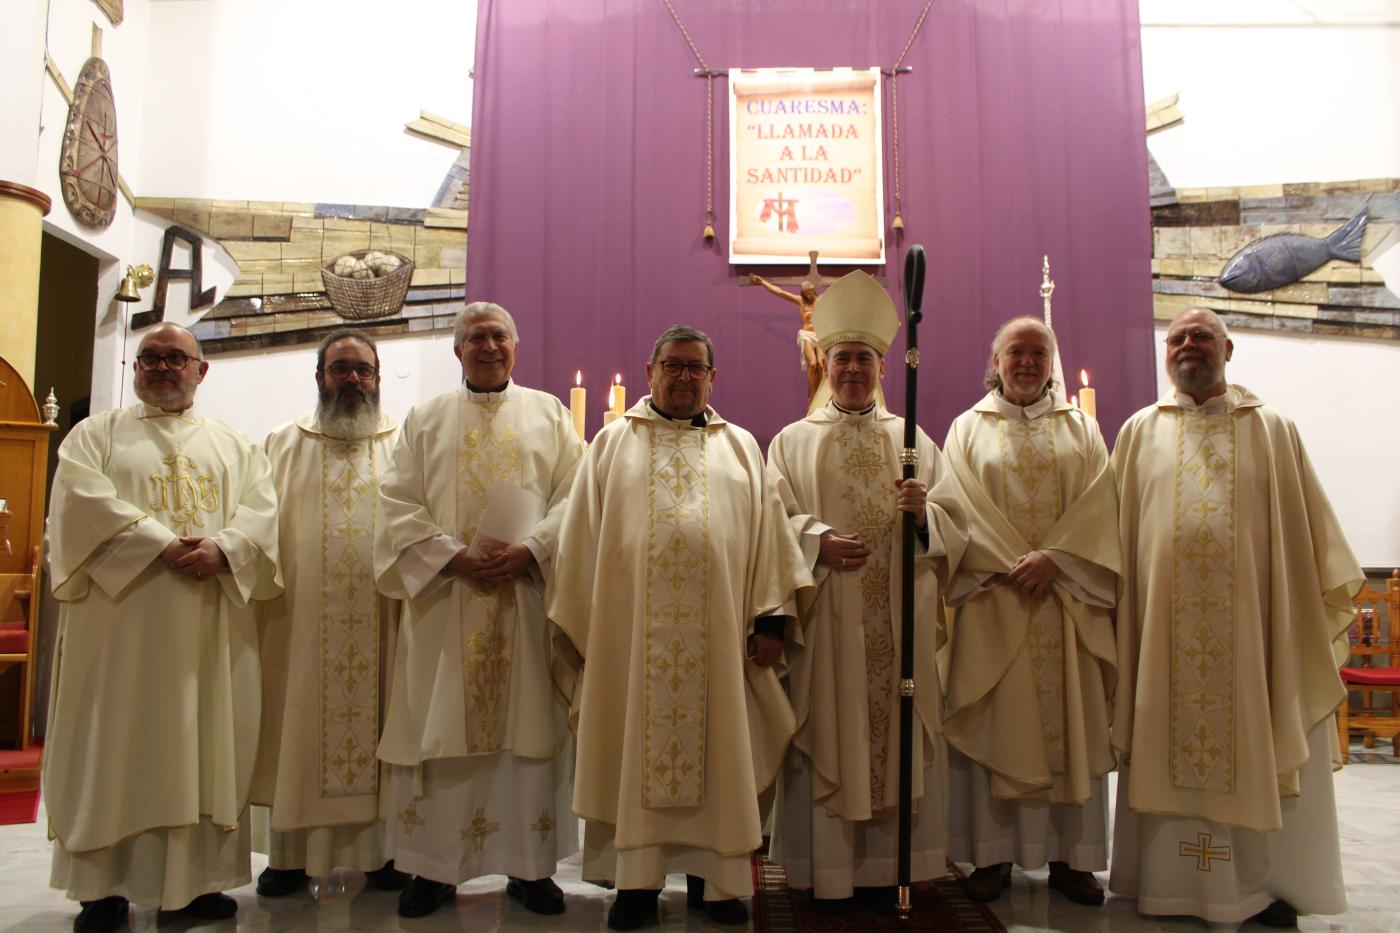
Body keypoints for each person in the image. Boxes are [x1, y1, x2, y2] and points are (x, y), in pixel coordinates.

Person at [547, 325, 812, 930]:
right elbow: (579, 542)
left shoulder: (742, 446)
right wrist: (593, 634)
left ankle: (713, 885)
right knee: (631, 750)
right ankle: (635, 887)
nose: (685, 377)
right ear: (651, 371)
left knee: (721, 754)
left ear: (713, 378)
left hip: (723, 642)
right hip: (629, 645)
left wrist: (770, 619)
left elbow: (770, 537)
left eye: (696, 367)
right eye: (674, 365)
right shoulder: (611, 445)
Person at [1111, 307, 1363, 927]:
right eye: (1176, 339)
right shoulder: (1141, 431)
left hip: (1256, 637)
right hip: (1162, 641)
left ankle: (1264, 885)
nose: (1188, 346)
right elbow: (1110, 540)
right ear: (1164, 353)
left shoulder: (1272, 429)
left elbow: (1308, 542)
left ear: (1229, 348)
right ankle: (1166, 886)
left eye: (1201, 336)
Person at [43, 323, 280, 932]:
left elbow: (263, 514)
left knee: (205, 745)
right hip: (120, 629)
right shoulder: (94, 436)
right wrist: (160, 545)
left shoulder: (236, 446)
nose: (161, 368)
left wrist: (225, 548)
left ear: (202, 372)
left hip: (208, 629)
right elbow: (79, 502)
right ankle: (105, 888)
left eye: (177, 358)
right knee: (115, 745)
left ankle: (195, 885)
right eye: (149, 358)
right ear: (135, 369)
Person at [373, 302, 585, 919]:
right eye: (475, 337)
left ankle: (531, 869)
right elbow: (395, 501)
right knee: (442, 737)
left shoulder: (548, 414)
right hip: (447, 600)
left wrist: (532, 549)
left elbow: (577, 495)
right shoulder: (426, 418)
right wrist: (450, 557)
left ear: (515, 348)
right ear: (457, 350)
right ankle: (433, 871)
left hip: (524, 600)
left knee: (526, 735)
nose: (487, 346)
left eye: (498, 336)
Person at [765, 270, 968, 901]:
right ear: (824, 362)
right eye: (843, 357)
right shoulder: (793, 442)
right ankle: (825, 870)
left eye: (865, 359)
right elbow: (772, 523)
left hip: (899, 622)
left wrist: (924, 514)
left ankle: (891, 867)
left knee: (895, 736)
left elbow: (956, 527)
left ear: (883, 366)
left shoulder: (913, 440)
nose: (853, 368)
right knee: (832, 729)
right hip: (828, 620)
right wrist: (814, 541)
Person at [940, 317, 1119, 905]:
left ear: (1052, 362)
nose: (1026, 362)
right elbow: (955, 505)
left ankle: (1075, 860)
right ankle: (991, 857)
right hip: (994, 597)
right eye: (1015, 351)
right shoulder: (967, 427)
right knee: (997, 721)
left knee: (1072, 727)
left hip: (1065, 601)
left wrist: (1056, 560)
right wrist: (1013, 564)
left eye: (1038, 353)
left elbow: (1101, 505)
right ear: (995, 360)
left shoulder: (1081, 429)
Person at [251, 329, 409, 897]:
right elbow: (255, 526)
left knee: (384, 726)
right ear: (319, 377)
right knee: (298, 725)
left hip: (383, 619)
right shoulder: (280, 444)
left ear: (378, 379)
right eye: (340, 369)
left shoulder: (401, 443)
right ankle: (289, 854)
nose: (352, 380)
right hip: (300, 623)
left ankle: (384, 855)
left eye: (363, 371)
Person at [750, 274, 823, 404]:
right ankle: (812, 397)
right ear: (804, 293)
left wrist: (859, 280)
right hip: (807, 334)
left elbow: (839, 290)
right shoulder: (800, 301)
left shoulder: (821, 300)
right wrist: (762, 282)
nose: (810, 294)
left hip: (820, 334)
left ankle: (821, 395)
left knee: (821, 364)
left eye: (812, 292)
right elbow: (780, 292)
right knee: (812, 364)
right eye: (807, 293)